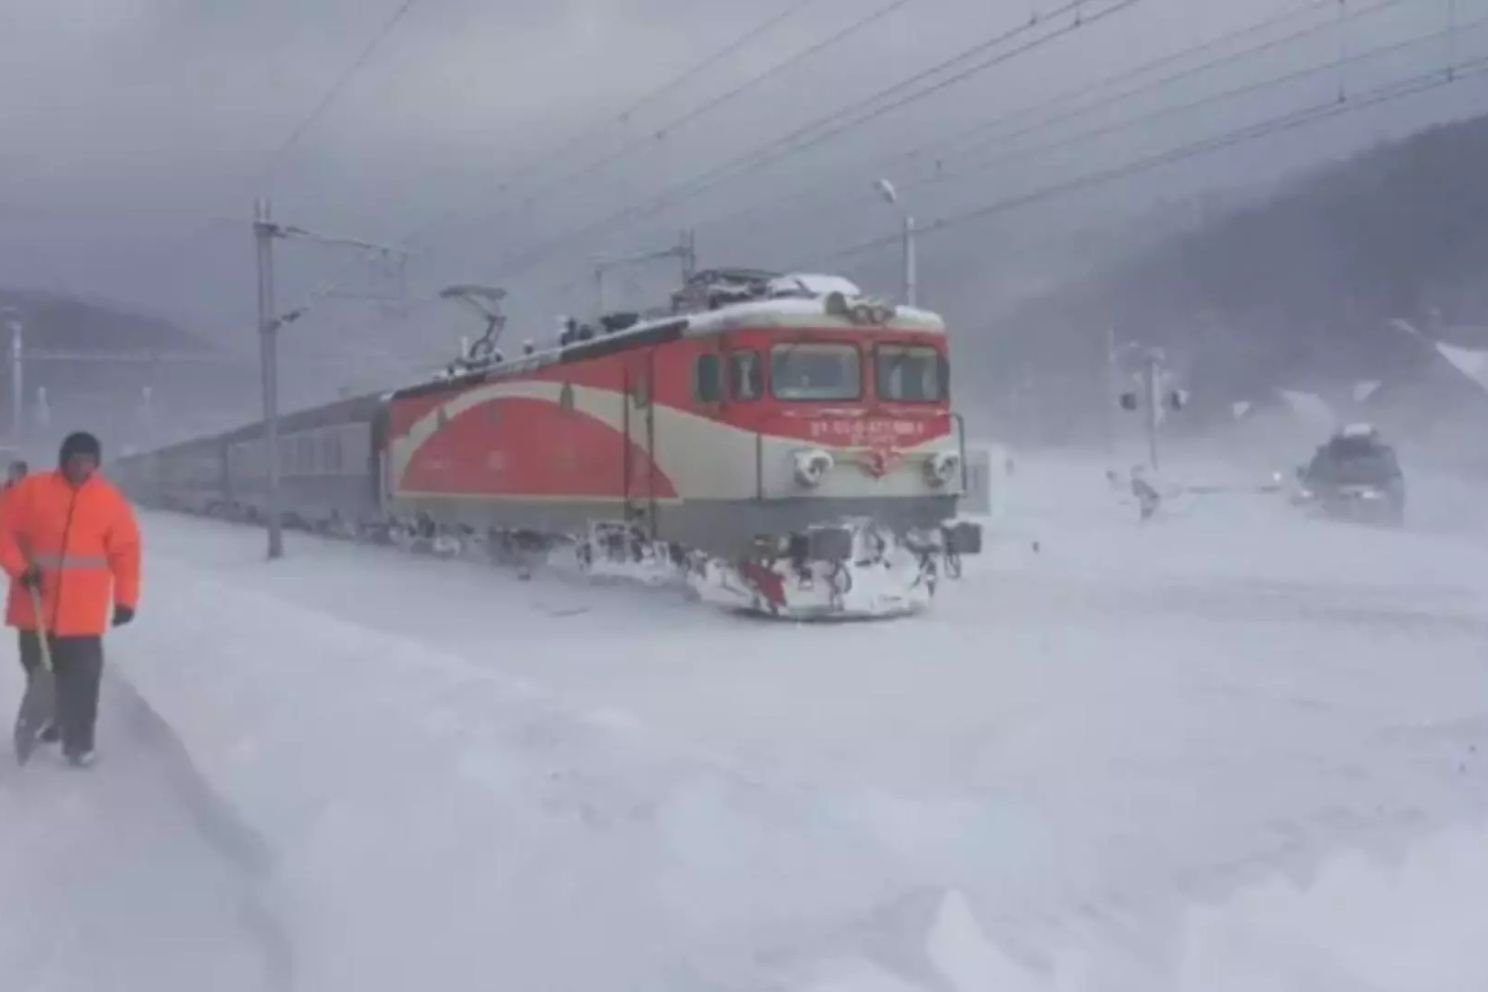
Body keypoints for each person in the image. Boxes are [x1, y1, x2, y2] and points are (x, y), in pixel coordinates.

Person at [0, 432, 140, 767]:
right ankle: (53, 716)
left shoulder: (107, 500)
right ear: (64, 459)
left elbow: (126, 552)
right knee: (39, 672)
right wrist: (21, 569)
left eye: (88, 461)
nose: (82, 467)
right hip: (35, 607)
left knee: (83, 678)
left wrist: (125, 599)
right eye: (76, 459)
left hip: (82, 614)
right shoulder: (32, 491)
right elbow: (2, 529)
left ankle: (79, 744)